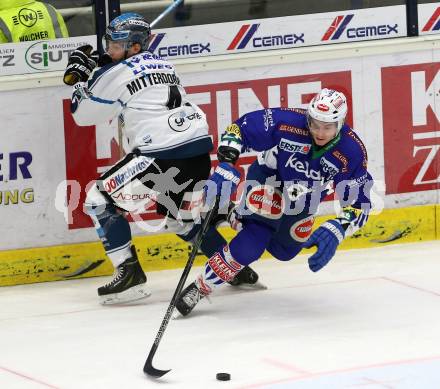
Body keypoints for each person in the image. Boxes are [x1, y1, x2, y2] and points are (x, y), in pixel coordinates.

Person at [63, 12, 258, 305]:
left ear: (135, 47)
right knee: (181, 220)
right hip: (196, 149)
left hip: (162, 154)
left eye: (115, 45)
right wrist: (99, 67)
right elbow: (125, 72)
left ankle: (129, 277)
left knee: (97, 200)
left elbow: (83, 114)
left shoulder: (117, 72)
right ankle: (232, 267)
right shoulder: (165, 64)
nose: (109, 50)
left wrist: (77, 78)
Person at [175, 88, 374, 316]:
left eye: (327, 126)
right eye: (315, 123)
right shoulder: (289, 121)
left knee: (284, 251)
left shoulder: (351, 151)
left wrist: (339, 228)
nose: (319, 132)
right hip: (269, 177)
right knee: (254, 241)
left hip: (303, 198)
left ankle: (232, 214)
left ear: (340, 123)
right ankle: (201, 287)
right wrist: (228, 162)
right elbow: (240, 129)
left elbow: (361, 203)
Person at [0, 0, 68, 43]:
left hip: (16, 65)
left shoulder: (2, 16)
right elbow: (65, 45)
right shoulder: (48, 9)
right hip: (55, 63)